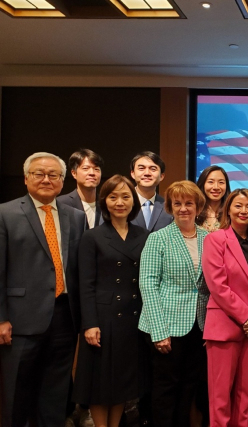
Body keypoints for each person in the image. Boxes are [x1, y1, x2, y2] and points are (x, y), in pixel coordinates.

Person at [0, 152, 86, 426]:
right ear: (26, 178)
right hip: (19, 319)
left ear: (62, 181)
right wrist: (1, 318)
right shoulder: (5, 213)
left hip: (64, 316)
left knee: (56, 392)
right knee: (17, 392)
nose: (46, 179)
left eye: (53, 175)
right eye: (39, 173)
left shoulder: (76, 217)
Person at [73, 175, 149, 427]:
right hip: (103, 319)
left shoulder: (144, 235)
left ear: (133, 201)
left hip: (133, 318)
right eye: (113, 197)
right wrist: (90, 323)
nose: (120, 202)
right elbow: (86, 285)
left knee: (123, 382)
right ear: (104, 201)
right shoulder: (92, 236)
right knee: (100, 381)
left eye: (126, 196)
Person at [138, 180, 209, 427]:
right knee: (165, 389)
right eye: (177, 203)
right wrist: (159, 332)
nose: (183, 208)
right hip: (166, 326)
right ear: (170, 207)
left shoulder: (208, 238)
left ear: (198, 206)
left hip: (199, 326)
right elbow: (147, 284)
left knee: (189, 387)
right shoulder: (158, 238)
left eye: (189, 203)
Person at [202, 189, 248, 427]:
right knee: (220, 399)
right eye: (238, 206)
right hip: (225, 328)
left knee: (244, 398)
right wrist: (247, 317)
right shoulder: (215, 239)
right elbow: (217, 286)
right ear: (229, 209)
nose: (244, 211)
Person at [58, 148, 105, 229]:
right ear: (74, 173)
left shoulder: (106, 204)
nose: (92, 173)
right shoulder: (61, 203)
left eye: (96, 169)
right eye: (85, 168)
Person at [130, 151, 173, 232]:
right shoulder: (122, 204)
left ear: (161, 176)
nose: (147, 173)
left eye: (153, 169)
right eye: (141, 168)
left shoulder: (169, 207)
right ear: (133, 173)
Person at [196, 165, 231, 233]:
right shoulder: (194, 212)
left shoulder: (231, 213)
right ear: (202, 184)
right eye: (211, 182)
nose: (216, 187)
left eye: (221, 182)